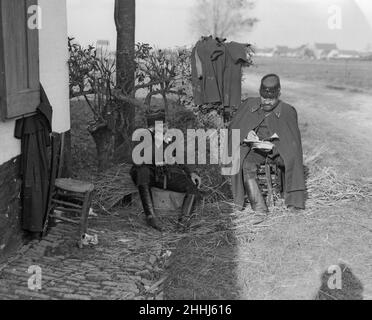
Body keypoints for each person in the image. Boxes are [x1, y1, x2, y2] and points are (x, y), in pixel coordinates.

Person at [228, 74, 306, 224]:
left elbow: (293, 143)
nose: (267, 101)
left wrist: (277, 146)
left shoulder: (288, 111)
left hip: (279, 151)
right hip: (257, 149)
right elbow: (234, 127)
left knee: (292, 160)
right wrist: (246, 134)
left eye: (271, 99)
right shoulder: (250, 105)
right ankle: (259, 209)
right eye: (264, 98)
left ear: (279, 94)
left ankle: (293, 201)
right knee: (246, 165)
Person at [130, 111, 202, 231]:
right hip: (148, 173)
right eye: (162, 126)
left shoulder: (169, 137)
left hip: (165, 173)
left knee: (192, 188)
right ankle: (151, 217)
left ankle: (183, 224)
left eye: (165, 125)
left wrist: (191, 172)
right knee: (142, 172)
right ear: (152, 128)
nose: (166, 127)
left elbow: (180, 155)